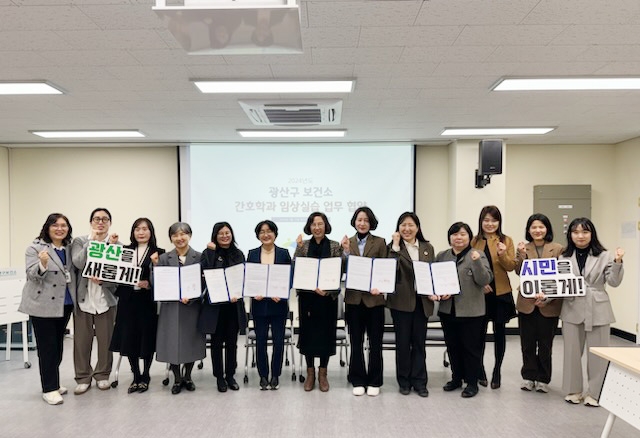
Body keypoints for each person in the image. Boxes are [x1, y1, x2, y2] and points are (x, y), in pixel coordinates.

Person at [560, 217, 624, 407]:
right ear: (570, 235)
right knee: (571, 353)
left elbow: (613, 282)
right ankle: (573, 390)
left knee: (599, 353)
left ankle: (596, 393)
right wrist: (543, 297)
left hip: (598, 307)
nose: (580, 236)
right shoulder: (563, 257)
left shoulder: (605, 255)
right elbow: (559, 285)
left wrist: (618, 262)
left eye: (585, 232)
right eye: (576, 232)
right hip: (571, 307)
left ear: (591, 234)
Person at [19, 213, 77, 405]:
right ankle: (49, 388)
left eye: (64, 225)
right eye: (55, 225)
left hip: (64, 304)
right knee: (47, 348)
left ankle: (54, 382)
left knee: (58, 346)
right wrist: (42, 264)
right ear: (47, 227)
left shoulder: (68, 248)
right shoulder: (35, 248)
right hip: (41, 305)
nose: (60, 228)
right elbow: (31, 275)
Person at [436, 222, 493, 398]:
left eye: (462, 234)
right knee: (453, 347)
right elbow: (436, 278)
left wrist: (476, 262)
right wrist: (438, 293)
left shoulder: (478, 254)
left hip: (471, 311)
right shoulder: (442, 256)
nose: (458, 238)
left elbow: (485, 280)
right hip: (448, 310)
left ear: (469, 237)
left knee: (471, 348)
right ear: (449, 237)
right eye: (455, 234)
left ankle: (472, 382)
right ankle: (456, 378)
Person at [109, 218, 165, 394]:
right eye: (137, 229)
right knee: (129, 338)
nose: (141, 232)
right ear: (133, 232)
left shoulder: (159, 252)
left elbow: (164, 277)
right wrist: (111, 245)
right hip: (127, 301)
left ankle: (146, 375)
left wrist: (149, 283)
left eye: (145, 229)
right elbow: (114, 271)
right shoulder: (125, 250)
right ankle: (135, 375)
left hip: (147, 302)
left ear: (151, 232)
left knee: (146, 338)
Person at [71, 208, 119, 395]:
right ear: (91, 222)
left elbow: (118, 277)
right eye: (97, 219)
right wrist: (91, 242)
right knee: (81, 342)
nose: (101, 222)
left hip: (105, 301)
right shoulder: (80, 241)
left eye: (105, 219)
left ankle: (102, 374)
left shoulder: (116, 244)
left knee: (106, 341)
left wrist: (104, 280)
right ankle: (83, 377)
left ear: (110, 222)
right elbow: (78, 263)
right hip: (84, 300)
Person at [386, 212, 435, 397]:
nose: (407, 229)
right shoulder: (392, 247)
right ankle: (404, 381)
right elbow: (391, 270)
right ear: (398, 228)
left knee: (419, 344)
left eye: (411, 225)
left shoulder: (427, 247)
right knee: (403, 344)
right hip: (401, 303)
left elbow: (432, 272)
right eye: (403, 225)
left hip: (422, 302)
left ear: (418, 227)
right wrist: (396, 247)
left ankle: (420, 382)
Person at [340, 207, 387, 397]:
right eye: (359, 220)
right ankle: (357, 379)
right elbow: (341, 269)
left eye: (366, 220)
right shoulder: (346, 242)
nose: (362, 223)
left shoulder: (380, 242)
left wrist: (381, 286)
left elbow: (385, 268)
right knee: (356, 342)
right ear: (354, 221)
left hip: (374, 300)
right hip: (353, 300)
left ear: (371, 223)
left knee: (375, 343)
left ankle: (375, 380)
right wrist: (344, 253)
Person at [154, 222, 206, 395]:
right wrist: (154, 267)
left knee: (191, 342)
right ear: (171, 238)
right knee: (172, 343)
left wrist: (193, 296)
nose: (179, 238)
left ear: (190, 235)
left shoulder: (199, 257)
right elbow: (157, 284)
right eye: (175, 235)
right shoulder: (163, 258)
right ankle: (177, 378)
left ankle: (188, 376)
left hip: (192, 307)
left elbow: (204, 283)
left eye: (183, 234)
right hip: (171, 308)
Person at [295, 212, 343, 392]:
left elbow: (340, 270)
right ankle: (310, 374)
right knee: (308, 336)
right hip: (308, 300)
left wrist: (345, 252)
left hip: (327, 300)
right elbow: (296, 268)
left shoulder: (335, 245)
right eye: (313, 224)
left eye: (320, 224)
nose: (317, 227)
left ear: (326, 226)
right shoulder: (303, 245)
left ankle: (323, 374)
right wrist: (299, 248)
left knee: (325, 337)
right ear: (309, 227)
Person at [515, 214, 563, 393]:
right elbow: (519, 271)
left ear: (547, 229)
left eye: (541, 227)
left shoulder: (558, 249)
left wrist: (548, 296)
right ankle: (528, 376)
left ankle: (543, 379)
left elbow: (560, 275)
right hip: (527, 302)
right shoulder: (524, 248)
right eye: (533, 227)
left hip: (549, 304)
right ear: (528, 230)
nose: (537, 230)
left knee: (545, 344)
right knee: (527, 343)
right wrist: (520, 254)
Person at [471, 205, 517, 390]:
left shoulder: (506, 240)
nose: (490, 224)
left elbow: (511, 266)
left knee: (500, 333)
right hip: (480, 293)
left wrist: (503, 254)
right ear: (481, 221)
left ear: (499, 222)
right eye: (486, 220)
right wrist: (481, 284)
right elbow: (470, 267)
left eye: (494, 220)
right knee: (478, 334)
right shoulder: (474, 241)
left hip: (501, 293)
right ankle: (480, 369)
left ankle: (497, 371)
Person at [199, 222, 247, 393]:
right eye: (221, 233)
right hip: (215, 307)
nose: (225, 236)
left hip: (233, 306)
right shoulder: (208, 253)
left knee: (232, 343)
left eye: (227, 233)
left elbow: (243, 278)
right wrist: (212, 252)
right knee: (217, 343)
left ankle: (230, 375)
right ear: (215, 236)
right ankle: (219, 377)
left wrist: (238, 292)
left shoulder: (238, 253)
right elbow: (205, 274)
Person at [247, 220, 292, 391]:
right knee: (260, 341)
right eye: (262, 232)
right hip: (259, 305)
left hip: (278, 305)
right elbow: (249, 278)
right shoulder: (251, 254)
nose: (266, 235)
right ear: (258, 235)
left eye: (269, 231)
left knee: (279, 341)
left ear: (275, 234)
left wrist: (281, 293)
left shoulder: (283, 253)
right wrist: (253, 292)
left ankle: (275, 375)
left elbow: (289, 277)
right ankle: (263, 375)